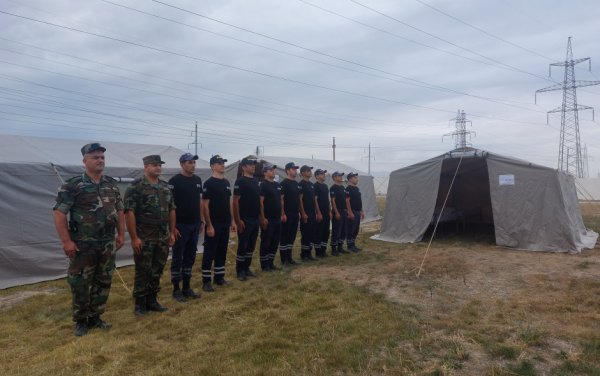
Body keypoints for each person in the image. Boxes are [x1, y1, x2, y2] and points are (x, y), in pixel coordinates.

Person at [53, 142, 125, 336]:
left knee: (103, 281)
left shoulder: (110, 183)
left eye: (102, 157)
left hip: (107, 243)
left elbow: (119, 210)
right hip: (83, 245)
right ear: (85, 161)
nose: (100, 160)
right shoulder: (73, 185)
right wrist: (67, 242)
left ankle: (95, 317)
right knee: (80, 283)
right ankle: (80, 320)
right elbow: (59, 214)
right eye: (95, 157)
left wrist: (121, 233)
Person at [124, 155, 176, 316]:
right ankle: (140, 303)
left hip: (162, 236)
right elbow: (129, 212)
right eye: (154, 165)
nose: (158, 168)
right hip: (145, 236)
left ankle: (152, 300)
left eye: (160, 165)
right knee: (143, 270)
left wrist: (172, 232)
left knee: (157, 269)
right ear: (146, 167)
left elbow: (172, 210)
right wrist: (134, 238)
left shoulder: (166, 187)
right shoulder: (136, 187)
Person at [168, 153, 203, 302]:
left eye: (194, 162)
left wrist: (201, 221)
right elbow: (170, 207)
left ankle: (187, 287)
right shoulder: (174, 181)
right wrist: (173, 227)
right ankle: (176, 289)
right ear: (182, 164)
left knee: (190, 256)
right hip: (180, 226)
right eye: (189, 162)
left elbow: (199, 201)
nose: (193, 165)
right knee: (178, 257)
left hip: (194, 224)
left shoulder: (197, 180)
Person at [201, 155, 235, 292]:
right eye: (219, 163)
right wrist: (208, 225)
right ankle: (206, 281)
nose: (222, 165)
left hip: (225, 222)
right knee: (210, 252)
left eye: (223, 163)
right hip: (213, 223)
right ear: (212, 166)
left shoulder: (226, 182)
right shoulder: (208, 183)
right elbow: (205, 205)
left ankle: (219, 278)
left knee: (222, 250)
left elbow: (229, 203)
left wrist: (232, 221)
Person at [233, 156, 261, 281]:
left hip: (255, 219)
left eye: (254, 164)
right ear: (244, 167)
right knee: (242, 246)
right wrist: (238, 220)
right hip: (245, 219)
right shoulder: (240, 181)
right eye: (250, 164)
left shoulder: (255, 181)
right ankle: (240, 271)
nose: (253, 166)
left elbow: (258, 201)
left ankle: (247, 267)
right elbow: (235, 202)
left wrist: (260, 217)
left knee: (251, 246)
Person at [258, 163, 283, 271]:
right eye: (270, 170)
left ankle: (271, 262)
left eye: (273, 170)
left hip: (277, 218)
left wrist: (282, 214)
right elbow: (260, 202)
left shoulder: (277, 185)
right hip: (268, 219)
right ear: (265, 173)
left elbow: (281, 201)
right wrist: (262, 218)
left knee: (275, 242)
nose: (273, 172)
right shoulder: (263, 185)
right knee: (266, 242)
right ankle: (264, 265)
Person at [298, 165, 322, 262]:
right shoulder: (301, 184)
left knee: (311, 234)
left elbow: (314, 200)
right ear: (303, 173)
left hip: (312, 213)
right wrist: (303, 213)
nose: (310, 172)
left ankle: (309, 253)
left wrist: (318, 212)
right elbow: (300, 200)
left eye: (310, 170)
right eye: (308, 170)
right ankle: (304, 255)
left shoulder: (311, 185)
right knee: (306, 234)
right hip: (306, 213)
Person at [279, 162, 301, 266]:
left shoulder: (296, 184)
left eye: (295, 169)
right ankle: (284, 260)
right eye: (293, 169)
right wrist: (282, 213)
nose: (295, 170)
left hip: (295, 214)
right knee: (285, 237)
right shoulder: (283, 183)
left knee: (292, 237)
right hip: (287, 214)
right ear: (287, 171)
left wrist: (300, 212)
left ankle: (289, 257)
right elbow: (281, 199)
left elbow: (299, 200)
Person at [329, 171, 349, 256]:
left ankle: (340, 247)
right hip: (338, 211)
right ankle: (334, 249)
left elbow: (346, 200)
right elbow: (332, 201)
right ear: (334, 178)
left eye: (341, 176)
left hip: (344, 211)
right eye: (339, 176)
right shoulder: (333, 188)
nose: (341, 177)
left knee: (343, 231)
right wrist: (336, 212)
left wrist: (348, 211)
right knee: (336, 231)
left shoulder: (343, 188)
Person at [345, 172, 365, 252]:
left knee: (356, 229)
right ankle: (350, 246)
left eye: (356, 178)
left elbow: (359, 201)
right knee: (351, 229)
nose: (357, 179)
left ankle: (353, 245)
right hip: (352, 211)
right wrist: (350, 212)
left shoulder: (357, 189)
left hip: (357, 211)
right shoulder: (348, 189)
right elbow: (347, 201)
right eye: (355, 178)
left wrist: (361, 211)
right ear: (350, 179)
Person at [313, 169, 330, 258]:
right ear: (317, 176)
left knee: (326, 232)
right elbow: (315, 200)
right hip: (320, 213)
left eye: (324, 174)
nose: (324, 175)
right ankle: (318, 252)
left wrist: (330, 211)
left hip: (327, 213)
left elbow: (327, 200)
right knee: (318, 232)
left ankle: (323, 250)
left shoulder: (325, 186)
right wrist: (318, 213)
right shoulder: (315, 186)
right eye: (322, 174)